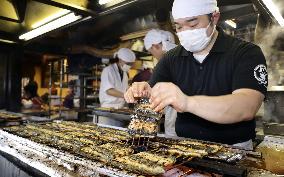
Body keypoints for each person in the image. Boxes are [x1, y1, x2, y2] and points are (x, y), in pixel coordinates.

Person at [124, 0, 268, 150]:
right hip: (185, 148)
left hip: (234, 148)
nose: (185, 32)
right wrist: (143, 90)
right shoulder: (171, 58)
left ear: (214, 17)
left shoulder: (245, 53)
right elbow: (152, 91)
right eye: (179, 26)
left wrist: (187, 102)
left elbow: (246, 107)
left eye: (192, 24)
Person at [143, 29, 178, 137]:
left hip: (177, 119)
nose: (153, 55)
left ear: (156, 46)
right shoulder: (181, 53)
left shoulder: (166, 60)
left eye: (151, 51)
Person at [98, 48, 136, 126]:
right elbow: (109, 90)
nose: (129, 66)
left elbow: (124, 89)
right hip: (107, 110)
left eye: (131, 64)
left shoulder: (125, 74)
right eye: (128, 63)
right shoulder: (108, 70)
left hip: (119, 110)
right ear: (120, 59)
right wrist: (126, 95)